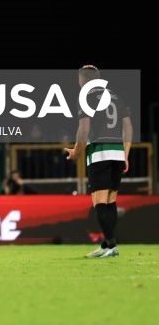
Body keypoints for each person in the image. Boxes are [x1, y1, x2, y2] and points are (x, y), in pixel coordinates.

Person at [64, 65, 132, 259]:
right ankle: (107, 244)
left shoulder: (86, 96)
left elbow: (84, 129)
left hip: (100, 153)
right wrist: (125, 154)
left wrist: (77, 151)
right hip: (117, 153)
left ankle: (110, 245)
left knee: (100, 202)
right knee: (110, 200)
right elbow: (128, 127)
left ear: (83, 80)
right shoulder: (116, 96)